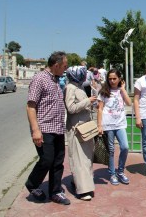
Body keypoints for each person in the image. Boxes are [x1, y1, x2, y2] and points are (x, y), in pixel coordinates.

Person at [25, 51, 70, 205]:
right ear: (56, 65)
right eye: (65, 65)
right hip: (44, 128)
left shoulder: (56, 80)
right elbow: (31, 106)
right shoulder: (40, 79)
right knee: (46, 160)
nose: (66, 68)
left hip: (57, 128)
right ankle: (32, 184)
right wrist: (35, 130)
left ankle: (55, 192)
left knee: (58, 161)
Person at [64, 66, 98, 200]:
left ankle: (80, 182)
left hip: (85, 127)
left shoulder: (79, 86)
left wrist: (91, 103)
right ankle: (83, 190)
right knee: (79, 159)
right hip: (76, 128)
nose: (85, 77)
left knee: (87, 158)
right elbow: (71, 108)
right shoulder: (70, 88)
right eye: (83, 74)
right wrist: (87, 101)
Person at [97, 69, 132, 185]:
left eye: (114, 78)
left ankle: (121, 171)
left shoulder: (121, 90)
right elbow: (100, 109)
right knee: (111, 150)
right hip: (108, 124)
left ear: (119, 79)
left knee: (125, 147)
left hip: (120, 124)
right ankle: (112, 173)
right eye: (110, 78)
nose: (112, 81)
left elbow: (129, 103)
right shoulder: (103, 92)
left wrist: (122, 89)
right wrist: (99, 125)